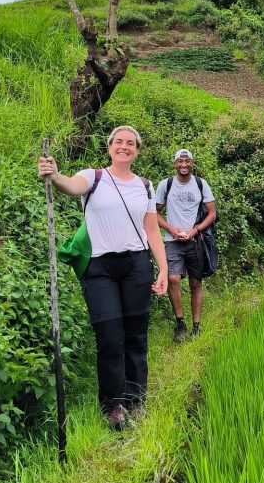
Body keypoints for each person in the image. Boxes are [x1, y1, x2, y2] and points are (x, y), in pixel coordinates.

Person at [38, 125, 168, 431]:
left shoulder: (145, 186)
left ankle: (135, 400)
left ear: (137, 150)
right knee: (110, 337)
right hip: (100, 269)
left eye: (130, 143)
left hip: (137, 265)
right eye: (119, 142)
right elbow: (70, 186)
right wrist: (54, 175)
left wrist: (163, 269)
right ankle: (113, 404)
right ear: (110, 147)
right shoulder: (93, 177)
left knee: (136, 336)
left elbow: (152, 232)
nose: (124, 146)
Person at [155, 149, 216, 342]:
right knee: (173, 278)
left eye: (187, 161)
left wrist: (195, 230)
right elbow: (154, 213)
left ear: (192, 163)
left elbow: (212, 213)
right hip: (173, 241)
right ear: (174, 164)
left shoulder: (200, 184)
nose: (183, 165)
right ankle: (180, 324)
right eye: (180, 161)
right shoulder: (166, 184)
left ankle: (196, 325)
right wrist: (171, 228)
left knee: (195, 282)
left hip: (195, 240)